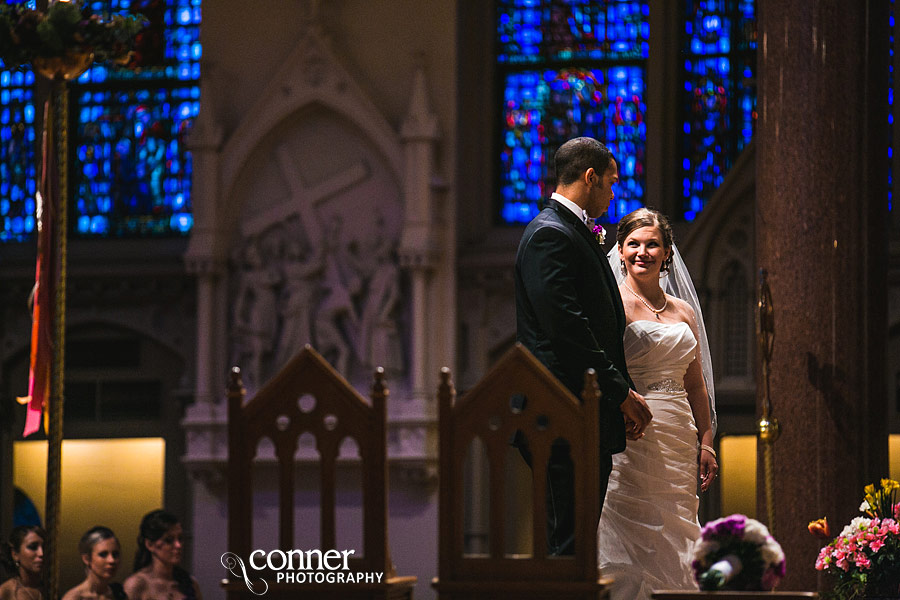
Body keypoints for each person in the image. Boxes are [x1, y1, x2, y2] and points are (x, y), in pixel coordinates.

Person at [515, 136, 653, 555]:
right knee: (569, 549)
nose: (613, 194)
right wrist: (620, 392)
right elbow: (568, 330)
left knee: (578, 547)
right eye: (611, 183)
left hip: (578, 411)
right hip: (562, 410)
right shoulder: (550, 235)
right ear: (589, 177)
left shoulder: (569, 231)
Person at [597, 207, 718, 599]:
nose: (642, 252)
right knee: (629, 526)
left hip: (679, 432)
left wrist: (706, 440)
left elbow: (695, 383)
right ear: (620, 249)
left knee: (677, 524)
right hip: (632, 429)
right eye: (633, 244)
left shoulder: (683, 311)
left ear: (667, 253)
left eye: (652, 244)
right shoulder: (612, 304)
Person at [124, 510, 201, 600]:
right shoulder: (137, 585)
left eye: (180, 539)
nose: (178, 545)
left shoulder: (189, 583)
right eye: (169, 540)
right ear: (150, 545)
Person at [62, 527, 126, 600]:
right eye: (103, 554)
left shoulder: (118, 594)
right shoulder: (75, 597)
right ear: (87, 559)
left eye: (115, 554)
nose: (111, 560)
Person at [0, 525, 45, 600]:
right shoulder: (7, 591)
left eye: (44, 547)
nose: (41, 553)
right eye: (33, 547)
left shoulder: (50, 587)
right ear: (15, 554)